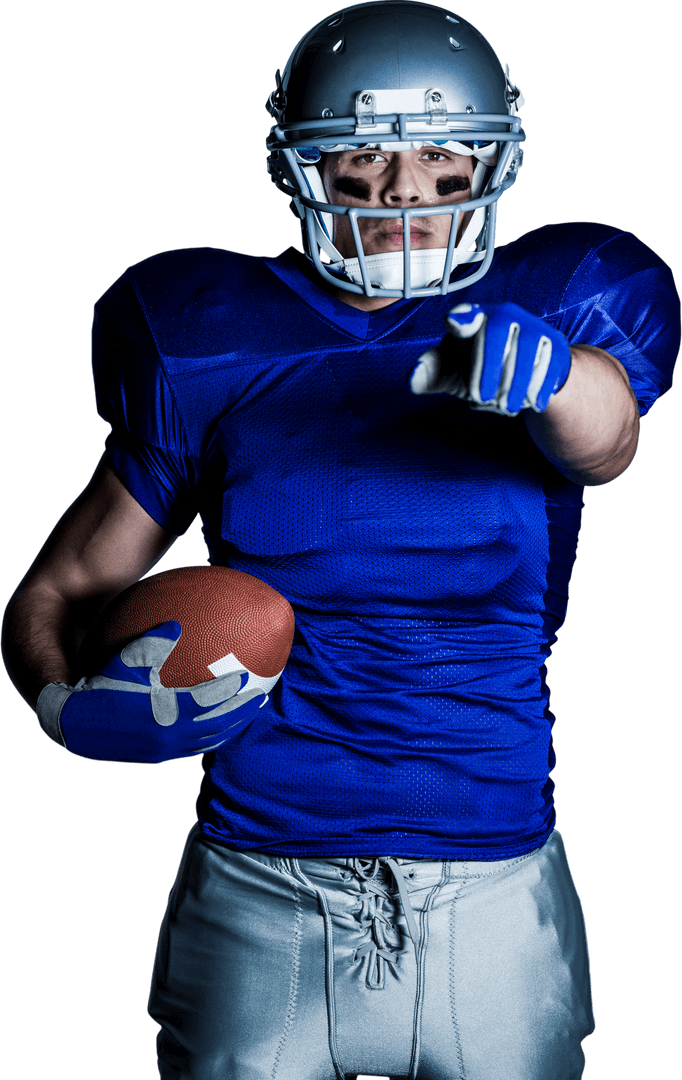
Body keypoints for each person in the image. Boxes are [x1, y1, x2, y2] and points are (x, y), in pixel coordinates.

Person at [2, 3, 679, 1078]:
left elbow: (609, 442)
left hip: (494, 890)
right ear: (299, 166)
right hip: (257, 888)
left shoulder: (557, 303)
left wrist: (548, 377)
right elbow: (65, 587)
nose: (405, 188)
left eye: (440, 154)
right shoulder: (203, 335)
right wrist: (57, 707)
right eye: (363, 153)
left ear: (493, 157)